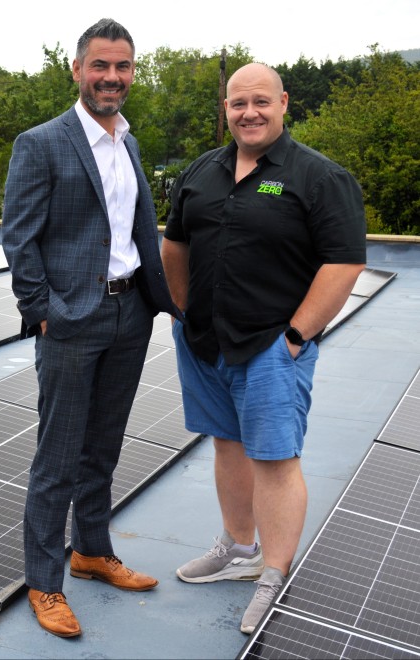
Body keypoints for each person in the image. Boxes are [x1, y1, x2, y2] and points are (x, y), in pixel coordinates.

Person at [161, 62, 366, 634]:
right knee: (228, 445)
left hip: (271, 346)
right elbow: (175, 244)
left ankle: (273, 574)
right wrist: (183, 311)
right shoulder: (202, 171)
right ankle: (238, 548)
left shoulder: (319, 177)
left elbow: (344, 263)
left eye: (260, 102)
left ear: (283, 103)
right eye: (238, 103)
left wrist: (296, 338)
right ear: (225, 109)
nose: (249, 113)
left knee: (275, 459)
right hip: (205, 342)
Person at [2, 17, 181, 638]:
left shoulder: (127, 142)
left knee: (103, 446)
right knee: (58, 457)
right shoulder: (41, 143)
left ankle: (91, 551)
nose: (111, 77)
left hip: (130, 315)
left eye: (122, 66)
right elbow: (19, 238)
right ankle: (44, 582)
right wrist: (43, 311)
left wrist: (158, 302)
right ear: (77, 70)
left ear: (132, 72)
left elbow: (135, 229)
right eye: (100, 65)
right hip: (71, 320)